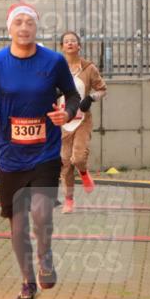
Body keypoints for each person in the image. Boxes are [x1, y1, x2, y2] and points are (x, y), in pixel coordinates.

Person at [0, 3, 80, 299]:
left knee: (42, 214)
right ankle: (27, 283)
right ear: (9, 28)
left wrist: (67, 113)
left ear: (36, 27)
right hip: (10, 157)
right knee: (17, 226)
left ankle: (45, 256)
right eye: (18, 22)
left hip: (44, 154)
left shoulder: (54, 61)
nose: (23, 27)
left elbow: (73, 95)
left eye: (29, 22)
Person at [58, 31, 107, 214]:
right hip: (63, 120)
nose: (69, 44)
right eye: (66, 41)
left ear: (79, 46)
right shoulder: (57, 68)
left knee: (77, 158)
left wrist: (91, 98)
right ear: (62, 47)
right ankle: (69, 200)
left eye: (73, 41)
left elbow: (103, 89)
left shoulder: (88, 68)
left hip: (82, 120)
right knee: (65, 162)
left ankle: (84, 173)